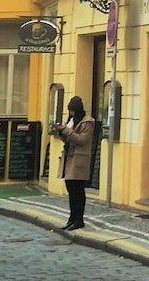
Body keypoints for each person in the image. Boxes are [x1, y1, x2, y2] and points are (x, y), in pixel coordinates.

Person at [52, 95, 96, 230]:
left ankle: (79, 219)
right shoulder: (71, 121)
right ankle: (72, 218)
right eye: (69, 111)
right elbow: (69, 139)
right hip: (69, 158)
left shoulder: (88, 122)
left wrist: (67, 130)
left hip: (79, 160)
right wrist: (61, 133)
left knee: (78, 190)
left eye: (72, 111)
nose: (71, 114)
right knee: (70, 189)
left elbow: (82, 140)